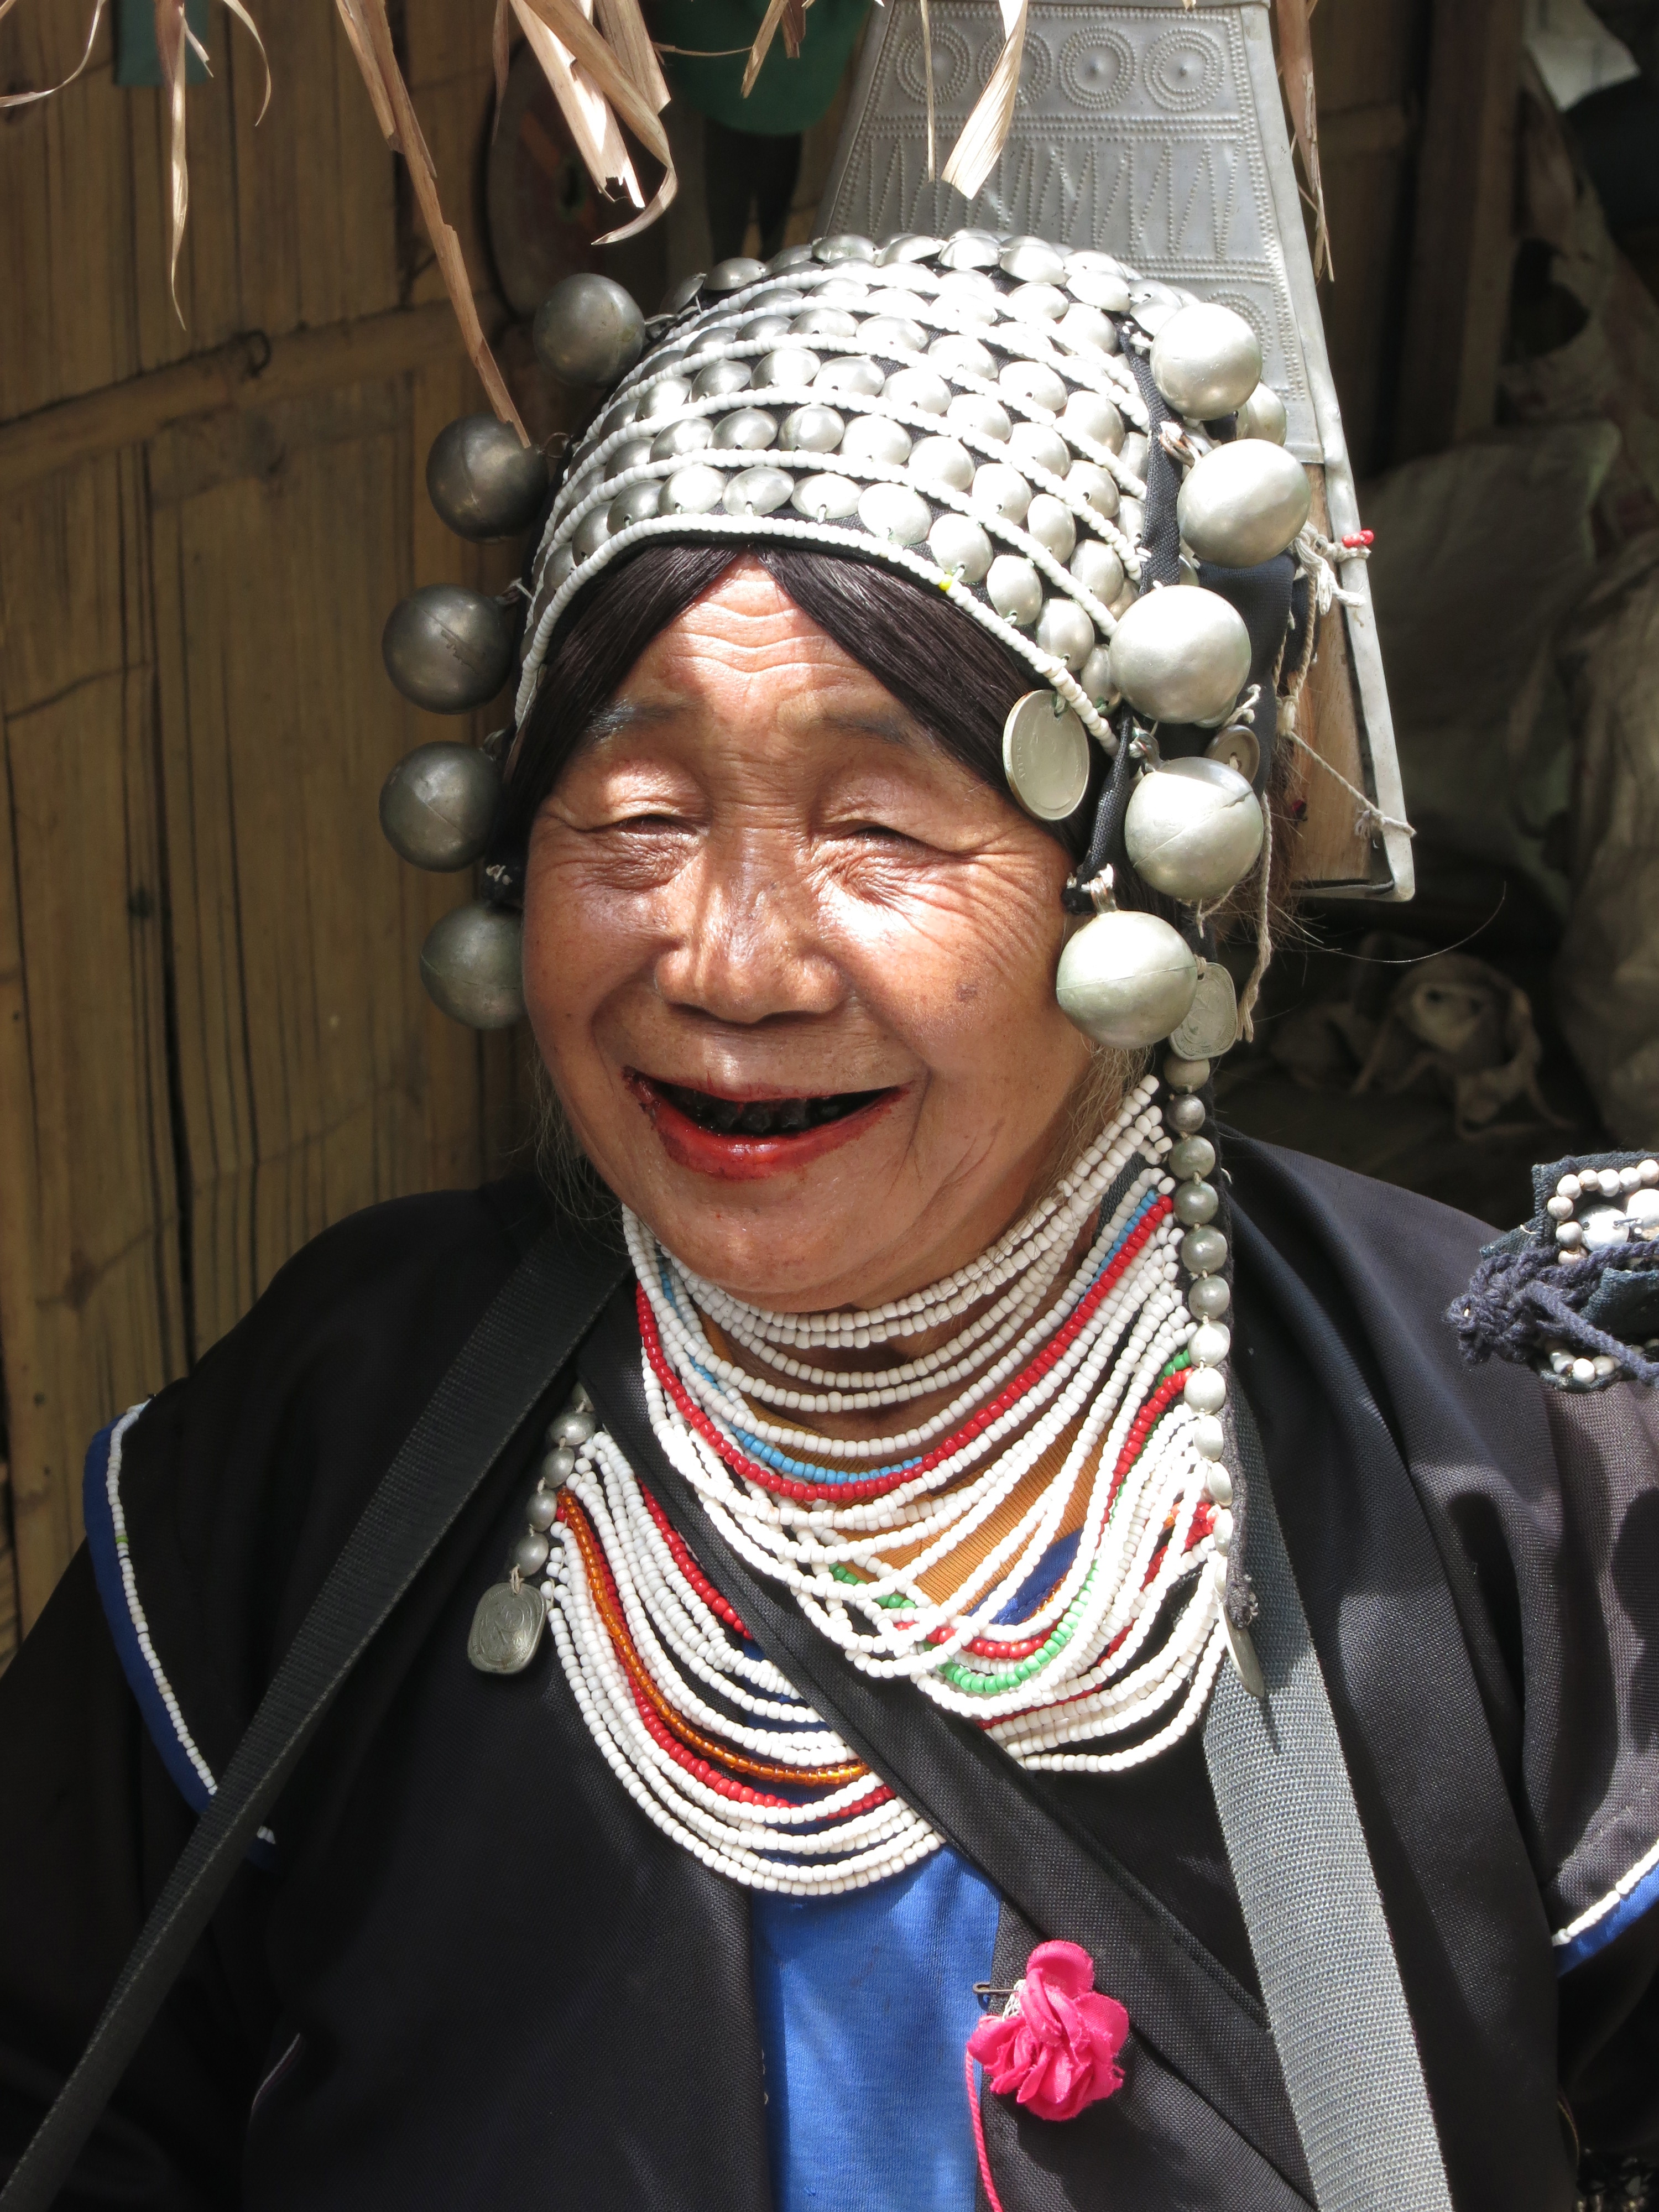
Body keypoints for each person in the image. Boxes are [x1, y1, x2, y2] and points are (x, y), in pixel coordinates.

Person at [2, 228, 1657, 2212]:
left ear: (1142, 872)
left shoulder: (1498, 1465)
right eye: (636, 818)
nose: (732, 961)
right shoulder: (339, 1436)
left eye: (878, 827)